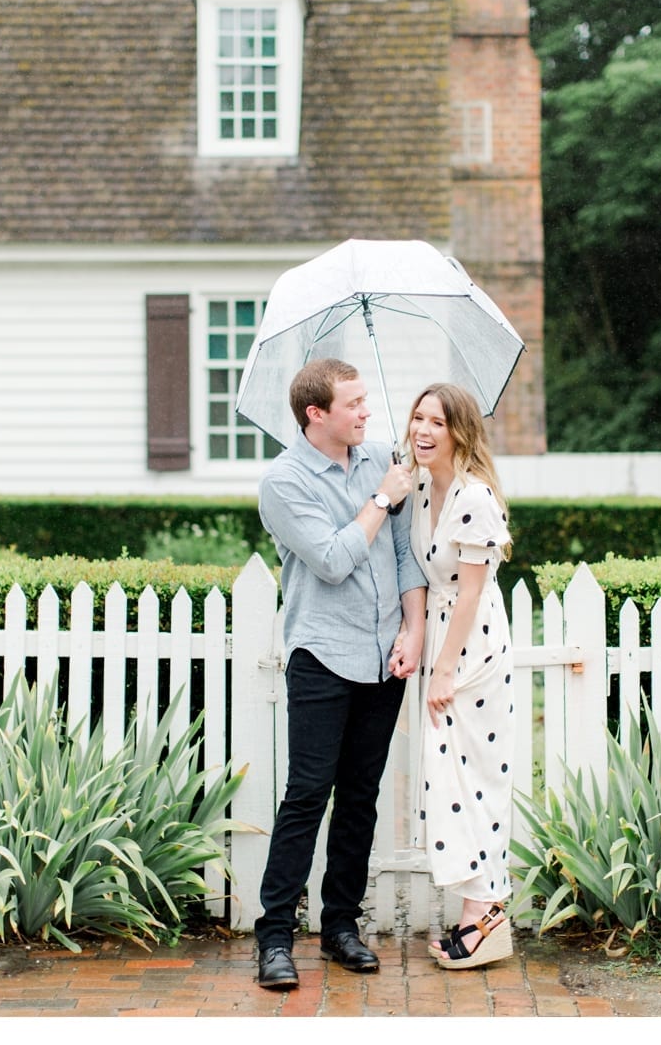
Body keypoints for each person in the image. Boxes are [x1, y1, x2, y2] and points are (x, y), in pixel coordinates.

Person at [252, 357, 428, 990]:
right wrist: (383, 497)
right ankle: (273, 938)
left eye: (364, 401)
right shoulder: (285, 481)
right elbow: (331, 559)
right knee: (307, 796)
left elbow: (407, 557)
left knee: (361, 796)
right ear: (315, 414)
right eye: (353, 404)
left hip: (387, 658)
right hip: (323, 655)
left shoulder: (383, 455)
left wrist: (413, 631)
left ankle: (340, 928)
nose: (367, 412)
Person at [403, 382, 516, 969]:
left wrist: (443, 668)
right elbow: (418, 576)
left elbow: (471, 594)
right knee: (449, 778)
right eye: (418, 418)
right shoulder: (423, 489)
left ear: (460, 432)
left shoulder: (473, 497)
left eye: (437, 423)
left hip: (473, 649)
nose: (423, 430)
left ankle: (487, 913)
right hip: (444, 640)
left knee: (475, 777)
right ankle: (479, 911)